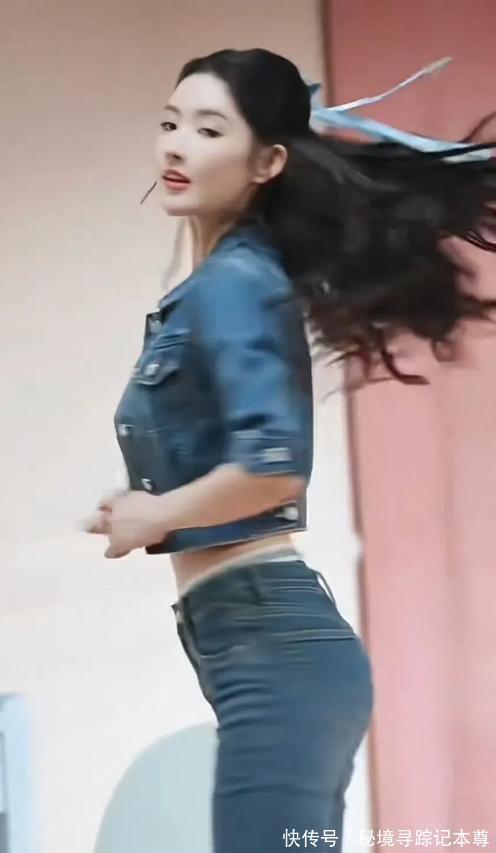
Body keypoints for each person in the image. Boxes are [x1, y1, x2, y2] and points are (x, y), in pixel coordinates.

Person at [82, 48, 496, 852]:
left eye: (209, 130)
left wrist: (155, 514)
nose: (176, 145)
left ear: (268, 161)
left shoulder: (236, 282)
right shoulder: (212, 286)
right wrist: (145, 503)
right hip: (257, 641)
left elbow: (272, 465)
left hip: (274, 648)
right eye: (170, 123)